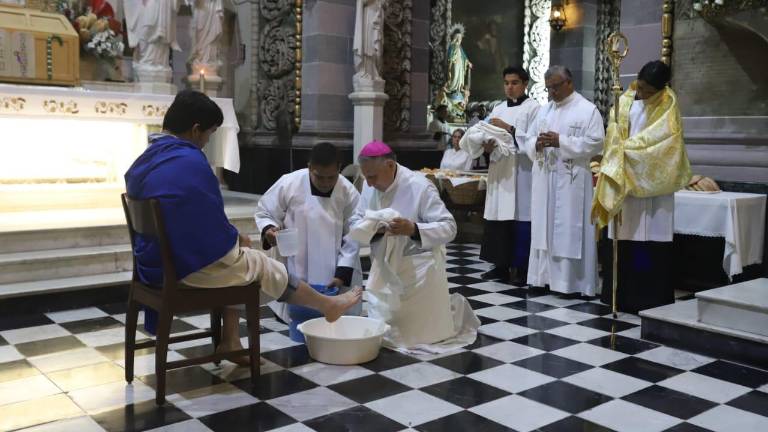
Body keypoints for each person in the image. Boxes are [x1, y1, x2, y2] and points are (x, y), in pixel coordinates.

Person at [124, 90, 361, 362]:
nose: (207, 142)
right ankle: (328, 305)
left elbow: (191, 218)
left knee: (239, 260)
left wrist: (233, 241)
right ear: (195, 129)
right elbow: (210, 226)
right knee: (262, 266)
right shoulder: (190, 162)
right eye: (210, 134)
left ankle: (231, 342)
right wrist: (236, 241)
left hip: (152, 265)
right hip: (184, 269)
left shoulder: (145, 160)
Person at [350, 141, 479, 351]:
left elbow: (449, 227)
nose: (370, 184)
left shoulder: (420, 186)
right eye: (366, 177)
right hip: (384, 267)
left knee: (418, 336)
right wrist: (375, 228)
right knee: (384, 332)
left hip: (419, 272)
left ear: (390, 165)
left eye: (372, 176)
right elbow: (356, 219)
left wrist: (413, 229)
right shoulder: (368, 184)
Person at [592, 60, 691, 313]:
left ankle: (650, 298)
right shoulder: (623, 100)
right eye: (642, 87)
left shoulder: (668, 104)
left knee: (650, 242)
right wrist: (616, 154)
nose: (643, 94)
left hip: (654, 190)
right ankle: (619, 296)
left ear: (662, 88)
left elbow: (664, 144)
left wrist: (625, 152)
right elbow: (613, 136)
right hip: (623, 183)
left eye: (649, 91)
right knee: (623, 239)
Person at [518, 66, 605, 297]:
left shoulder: (588, 110)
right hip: (545, 178)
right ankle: (542, 278)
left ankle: (571, 283)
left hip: (571, 180)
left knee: (568, 228)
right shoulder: (544, 111)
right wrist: (536, 144)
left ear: (569, 83)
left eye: (556, 87)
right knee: (543, 229)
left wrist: (562, 142)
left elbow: (597, 143)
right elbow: (527, 139)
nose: (552, 93)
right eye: (548, 88)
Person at [255, 142, 362, 322]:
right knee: (294, 311)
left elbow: (354, 233)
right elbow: (265, 211)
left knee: (332, 317)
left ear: (339, 169)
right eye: (319, 177)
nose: (326, 183)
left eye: (332, 177)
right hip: (296, 258)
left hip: (333, 264)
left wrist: (342, 274)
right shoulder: (289, 182)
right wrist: (269, 230)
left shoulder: (347, 191)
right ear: (310, 167)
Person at [479, 66, 541, 285]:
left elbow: (534, 140)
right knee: (498, 216)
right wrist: (485, 145)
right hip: (500, 169)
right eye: (506, 83)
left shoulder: (534, 108)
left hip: (521, 172)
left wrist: (510, 129)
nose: (510, 87)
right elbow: (487, 134)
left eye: (514, 83)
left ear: (525, 84)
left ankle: (523, 269)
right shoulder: (497, 108)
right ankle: (500, 266)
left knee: (521, 219)